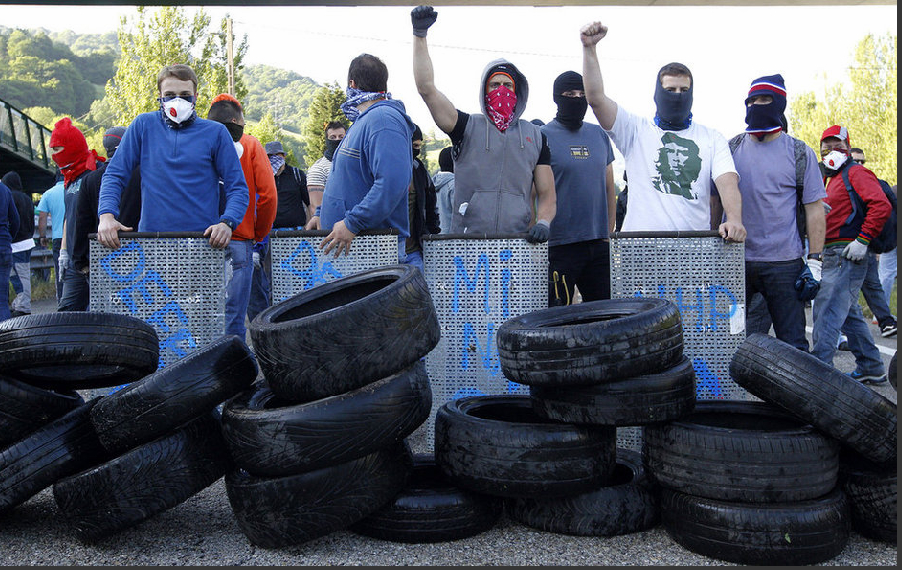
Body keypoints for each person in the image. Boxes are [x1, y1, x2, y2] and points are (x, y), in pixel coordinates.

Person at [579, 21, 746, 242]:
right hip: (640, 251)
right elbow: (597, 100)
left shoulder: (711, 138)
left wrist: (734, 218)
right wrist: (589, 49)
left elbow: (727, 182)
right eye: (670, 90)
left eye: (683, 90)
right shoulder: (635, 131)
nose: (677, 95)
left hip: (691, 253)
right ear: (658, 92)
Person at [411, 5, 556, 241]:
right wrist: (420, 35)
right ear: (484, 90)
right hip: (468, 245)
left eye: (507, 85)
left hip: (516, 245)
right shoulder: (465, 127)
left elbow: (547, 194)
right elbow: (427, 90)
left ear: (517, 91)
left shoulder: (536, 136)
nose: (501, 90)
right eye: (494, 85)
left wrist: (543, 222)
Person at [97, 63, 248, 252]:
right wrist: (106, 216)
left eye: (185, 95)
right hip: (152, 244)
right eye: (169, 95)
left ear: (196, 97)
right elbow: (114, 175)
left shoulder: (216, 133)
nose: (177, 100)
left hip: (203, 244)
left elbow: (238, 187)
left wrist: (227, 223)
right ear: (160, 96)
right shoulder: (143, 125)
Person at [728, 74, 827, 351]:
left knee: (793, 343)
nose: (757, 105)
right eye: (752, 100)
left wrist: (815, 261)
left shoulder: (799, 153)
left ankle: (795, 394)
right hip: (736, 263)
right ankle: (728, 393)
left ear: (779, 103)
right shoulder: (730, 149)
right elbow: (715, 201)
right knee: (730, 336)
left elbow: (815, 210)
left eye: (765, 99)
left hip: (783, 265)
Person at [812, 125, 891, 384]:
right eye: (826, 145)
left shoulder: (856, 173)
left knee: (828, 311)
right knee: (847, 313)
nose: (830, 150)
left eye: (837, 144)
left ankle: (818, 375)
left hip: (847, 253)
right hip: (834, 252)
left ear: (847, 146)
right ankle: (871, 365)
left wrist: (863, 239)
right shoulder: (830, 178)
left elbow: (880, 205)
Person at [319, 53, 415, 258]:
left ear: (351, 84)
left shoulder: (383, 119)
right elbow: (352, 180)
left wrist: (353, 223)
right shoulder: (364, 121)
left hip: (370, 249)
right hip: (353, 248)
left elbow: (393, 183)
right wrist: (320, 214)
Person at [541, 70, 616, 306]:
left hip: (597, 244)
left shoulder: (598, 135)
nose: (577, 98)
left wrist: (608, 233)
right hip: (559, 246)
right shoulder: (542, 136)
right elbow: (533, 191)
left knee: (603, 315)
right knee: (557, 316)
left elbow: (609, 187)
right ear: (557, 97)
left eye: (582, 93)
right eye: (570, 93)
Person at [207, 94, 278, 339]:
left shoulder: (196, 141)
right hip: (239, 239)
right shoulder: (250, 145)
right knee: (234, 322)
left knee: (200, 319)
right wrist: (258, 234)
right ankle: (232, 374)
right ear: (236, 119)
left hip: (199, 239)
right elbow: (268, 195)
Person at [64, 126, 142, 311]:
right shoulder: (145, 174)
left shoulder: (90, 180)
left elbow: (82, 222)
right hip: (141, 256)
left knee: (106, 313)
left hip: (103, 258)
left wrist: (81, 262)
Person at [48, 117, 105, 312]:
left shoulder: (96, 173)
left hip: (96, 257)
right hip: (74, 259)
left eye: (57, 149)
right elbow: (68, 216)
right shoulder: (69, 178)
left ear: (71, 146)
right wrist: (63, 251)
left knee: (100, 311)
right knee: (67, 312)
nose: (54, 155)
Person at [849, 146, 897, 338]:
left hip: (867, 242)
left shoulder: (876, 183)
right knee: (839, 295)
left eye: (862, 161)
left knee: (873, 283)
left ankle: (885, 321)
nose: (860, 164)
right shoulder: (839, 181)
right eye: (855, 160)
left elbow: (888, 207)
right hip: (843, 244)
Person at [403, 124, 440, 271]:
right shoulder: (381, 167)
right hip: (386, 251)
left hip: (413, 250)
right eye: (414, 145)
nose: (417, 150)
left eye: (419, 146)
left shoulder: (418, 169)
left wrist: (432, 232)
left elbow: (430, 202)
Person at [2, 171, 35, 317]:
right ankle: (20, 303)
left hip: (16, 244)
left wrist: (10, 238)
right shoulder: (26, 198)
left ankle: (23, 305)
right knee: (24, 274)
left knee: (18, 278)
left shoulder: (9, 194)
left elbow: (13, 221)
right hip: (28, 241)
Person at [304, 122, 346, 231]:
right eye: (333, 137)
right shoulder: (318, 170)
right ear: (327, 140)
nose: (337, 140)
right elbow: (316, 209)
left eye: (341, 137)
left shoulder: (356, 165)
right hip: (331, 231)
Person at [36, 171, 66, 299]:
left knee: (60, 271)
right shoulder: (74, 190)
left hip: (58, 238)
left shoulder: (48, 193)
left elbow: (42, 217)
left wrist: (42, 236)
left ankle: (61, 300)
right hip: (73, 236)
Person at [1, 179, 19, 322]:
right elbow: (15, 220)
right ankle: (5, 340)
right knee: (1, 301)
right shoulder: (4, 189)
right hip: (3, 246)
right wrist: (7, 239)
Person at [432, 146, 455, 233]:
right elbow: (459, 214)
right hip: (451, 237)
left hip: (435, 235)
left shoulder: (432, 182)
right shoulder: (454, 184)